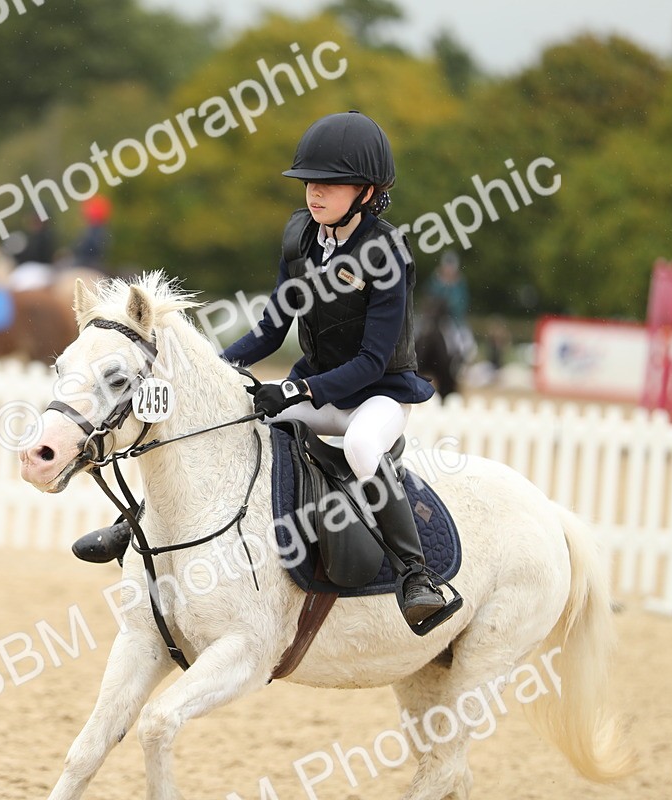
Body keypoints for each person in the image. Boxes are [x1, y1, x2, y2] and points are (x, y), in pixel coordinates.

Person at [69, 111, 448, 628]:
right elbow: (272, 328)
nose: (315, 194)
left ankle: (415, 574)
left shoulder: (386, 255)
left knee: (361, 447)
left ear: (366, 192)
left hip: (377, 395)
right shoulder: (300, 239)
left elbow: (369, 362)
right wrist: (216, 372)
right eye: (311, 182)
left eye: (330, 186)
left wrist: (295, 389)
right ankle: (132, 522)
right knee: (231, 424)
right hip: (319, 387)